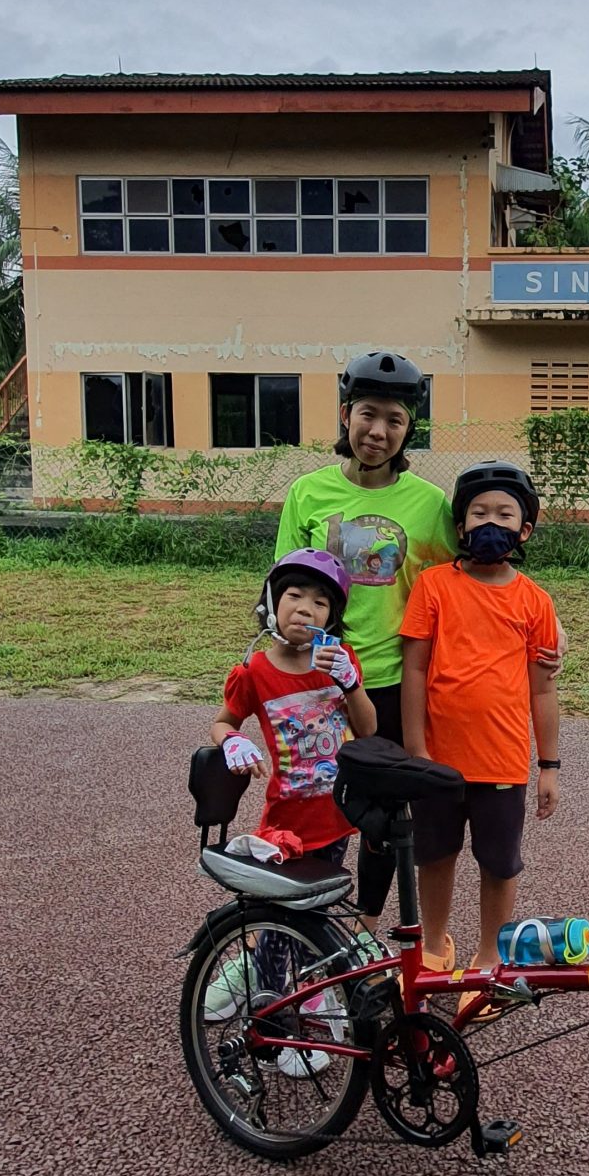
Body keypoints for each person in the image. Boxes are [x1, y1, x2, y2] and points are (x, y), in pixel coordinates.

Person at [273, 352, 456, 922]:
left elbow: (468, 579)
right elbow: (280, 589)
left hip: (393, 681)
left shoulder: (429, 504)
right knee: (309, 804)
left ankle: (367, 932)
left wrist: (546, 625)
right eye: (368, 414)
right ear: (345, 415)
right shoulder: (308, 493)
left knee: (383, 816)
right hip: (318, 683)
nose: (378, 431)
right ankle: (294, 927)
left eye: (394, 420)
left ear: (408, 429)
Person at [400, 462, 561, 989]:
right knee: (434, 855)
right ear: (461, 526)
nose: (491, 522)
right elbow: (415, 669)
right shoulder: (433, 586)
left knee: (498, 862)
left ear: (524, 530)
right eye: (479, 513)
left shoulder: (535, 601)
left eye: (505, 514)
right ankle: (434, 944)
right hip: (437, 760)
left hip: (503, 761)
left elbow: (543, 689)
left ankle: (490, 953)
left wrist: (549, 765)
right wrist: (416, 749)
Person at [209, 549, 377, 863]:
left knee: (325, 890)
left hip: (338, 817)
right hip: (286, 823)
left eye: (320, 603)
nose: (305, 609)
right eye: (295, 595)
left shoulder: (341, 661)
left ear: (331, 617)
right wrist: (231, 739)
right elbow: (223, 722)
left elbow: (368, 729)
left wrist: (351, 683)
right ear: (272, 602)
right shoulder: (253, 673)